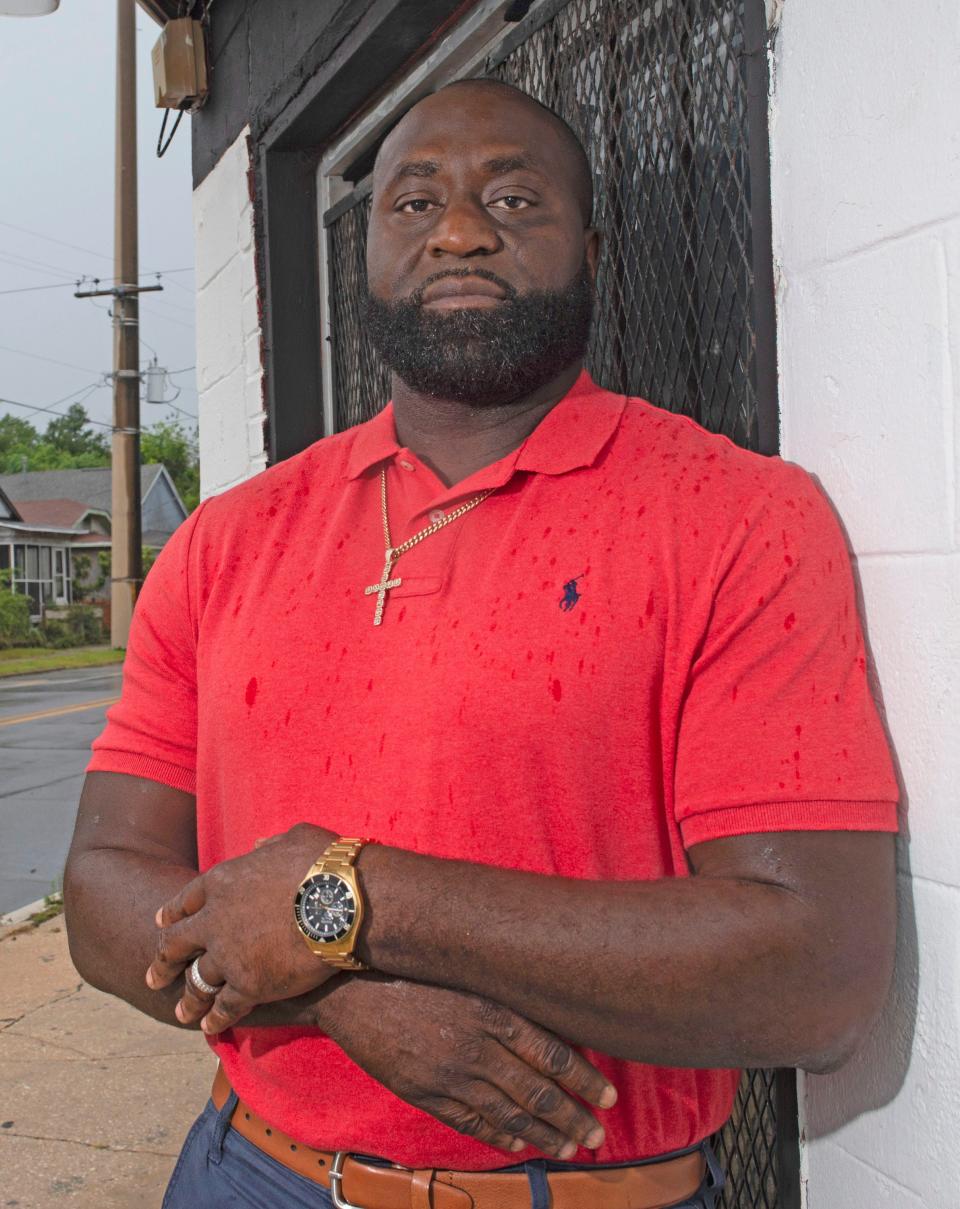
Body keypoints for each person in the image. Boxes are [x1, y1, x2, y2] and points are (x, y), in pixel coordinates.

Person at [63, 79, 899, 1209]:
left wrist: (349, 899)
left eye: (514, 198)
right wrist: (333, 996)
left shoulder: (732, 516)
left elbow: (818, 976)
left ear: (592, 251)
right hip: (252, 1171)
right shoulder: (228, 543)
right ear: (365, 250)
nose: (460, 231)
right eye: (413, 205)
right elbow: (105, 893)